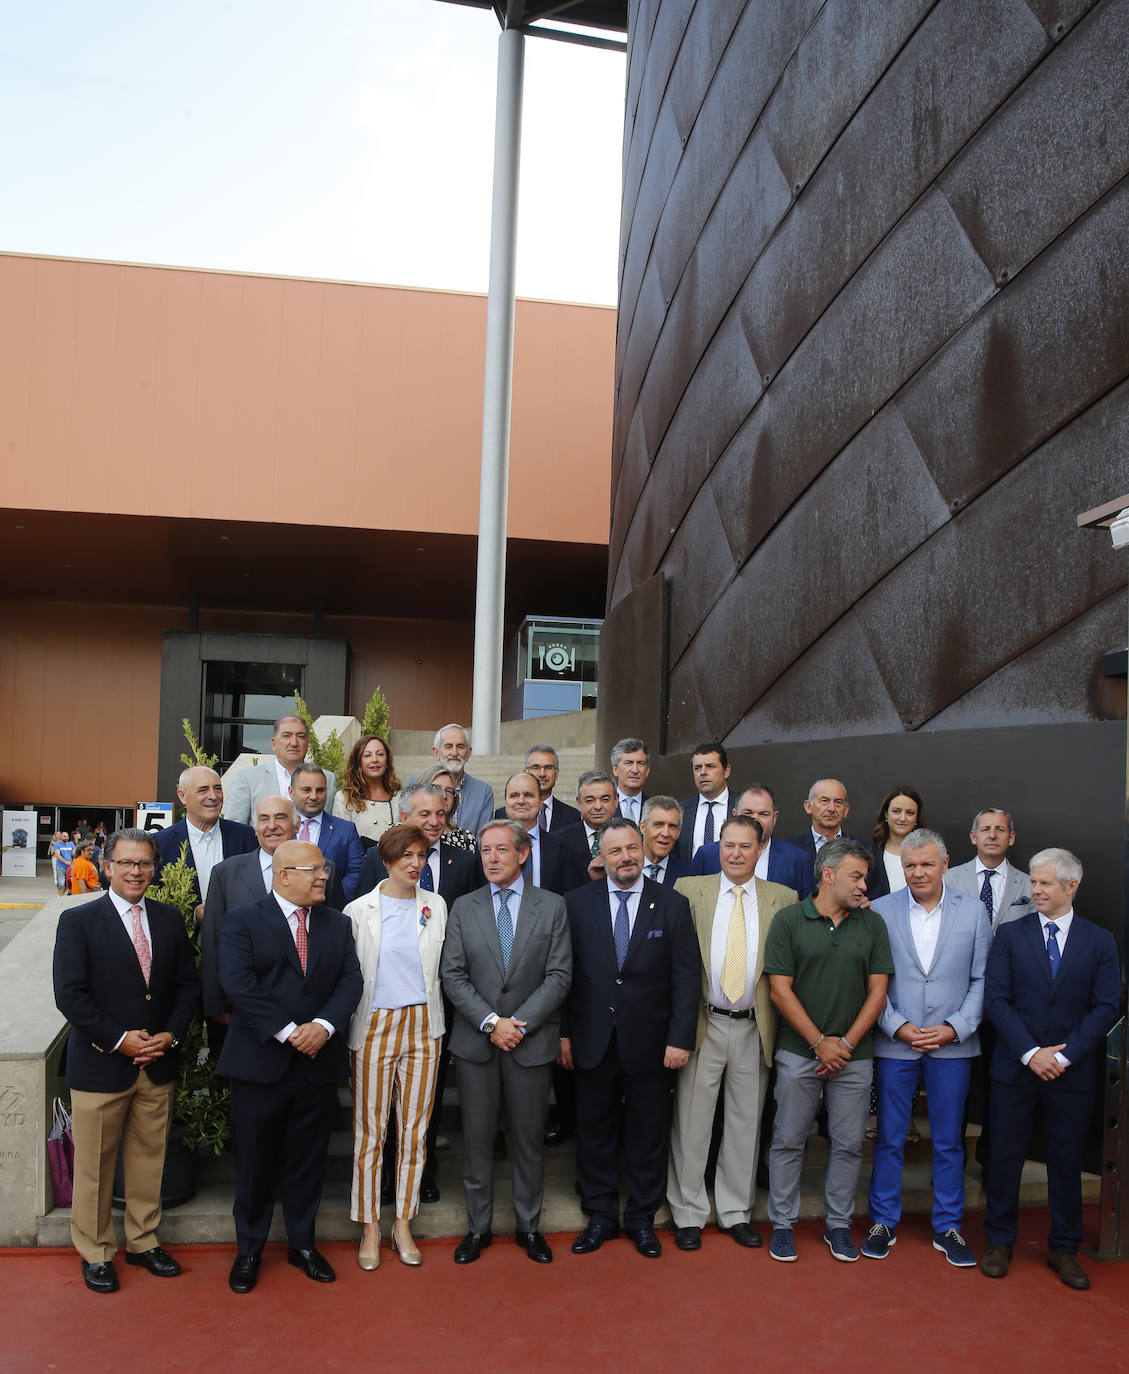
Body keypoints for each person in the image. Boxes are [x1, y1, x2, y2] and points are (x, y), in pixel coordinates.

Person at [52, 828, 200, 1293]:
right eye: (127, 863)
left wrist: (169, 1036)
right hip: (101, 1066)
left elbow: (187, 986)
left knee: (148, 1159)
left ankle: (143, 1241)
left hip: (157, 1063)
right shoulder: (78, 922)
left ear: (154, 869)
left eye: (144, 864)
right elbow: (70, 997)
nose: (136, 871)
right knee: (95, 1166)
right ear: (108, 867)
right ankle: (96, 1251)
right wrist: (120, 1040)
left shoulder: (170, 919)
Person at [217, 839, 363, 1293]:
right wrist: (288, 1031)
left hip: (317, 1064)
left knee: (307, 1161)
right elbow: (238, 985)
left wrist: (322, 1025)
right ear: (284, 875)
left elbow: (350, 980)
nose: (324, 877)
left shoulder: (337, 924)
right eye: (314, 870)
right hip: (261, 1063)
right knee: (256, 1162)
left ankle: (303, 1244)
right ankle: (249, 1251)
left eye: (325, 869)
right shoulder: (243, 921)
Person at [980, 849, 1119, 1290]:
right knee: (1004, 1160)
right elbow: (996, 1000)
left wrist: (1062, 1056)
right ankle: (999, 1243)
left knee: (1065, 1162)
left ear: (1071, 886)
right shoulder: (1009, 935)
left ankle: (1064, 1249)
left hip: (1070, 1074)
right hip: (1014, 1069)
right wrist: (1031, 1053)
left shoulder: (1100, 941)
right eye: (1034, 883)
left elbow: (1106, 1006)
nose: (1035, 890)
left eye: (1045, 884)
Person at [563, 819, 698, 1258]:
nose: (625, 858)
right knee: (595, 1131)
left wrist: (680, 1038)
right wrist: (564, 1033)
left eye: (632, 849)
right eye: (615, 850)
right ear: (600, 857)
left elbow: (685, 977)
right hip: (591, 1039)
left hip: (652, 1044)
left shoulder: (673, 905)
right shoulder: (576, 904)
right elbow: (565, 976)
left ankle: (642, 1219)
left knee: (647, 1134)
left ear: (643, 851)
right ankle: (600, 1215)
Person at [440, 820, 572, 1265]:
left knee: (528, 1141)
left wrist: (519, 1024)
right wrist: (491, 1022)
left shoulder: (552, 907)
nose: (491, 858)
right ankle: (477, 1230)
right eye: (485, 851)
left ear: (523, 854)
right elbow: (452, 975)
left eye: (500, 850)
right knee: (477, 1141)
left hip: (530, 1045)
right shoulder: (462, 906)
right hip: (478, 1044)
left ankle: (528, 1228)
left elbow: (559, 975)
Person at [863, 829, 990, 1266]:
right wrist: (897, 1027)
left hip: (952, 1047)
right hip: (895, 1043)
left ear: (945, 863)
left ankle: (949, 1227)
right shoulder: (879, 910)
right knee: (890, 1137)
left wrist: (955, 1028)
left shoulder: (973, 912)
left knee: (950, 1141)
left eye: (927, 864)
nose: (918, 872)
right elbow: (873, 982)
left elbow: (981, 980)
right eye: (910, 865)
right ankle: (883, 1220)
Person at [764, 837, 893, 1263]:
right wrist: (820, 1044)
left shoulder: (872, 924)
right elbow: (780, 992)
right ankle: (782, 1224)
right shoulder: (788, 920)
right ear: (828, 875)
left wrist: (846, 1045)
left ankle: (838, 1225)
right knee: (788, 1139)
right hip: (799, 1053)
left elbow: (878, 994)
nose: (863, 886)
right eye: (856, 876)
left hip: (855, 1057)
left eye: (866, 877)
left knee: (849, 1143)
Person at [354, 780, 483, 1202]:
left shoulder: (465, 863)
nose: (433, 821)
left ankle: (419, 1172)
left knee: (424, 1102)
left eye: (440, 813)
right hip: (382, 1004)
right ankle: (386, 1177)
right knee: (378, 1109)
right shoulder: (379, 857)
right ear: (405, 816)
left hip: (438, 1003)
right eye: (424, 813)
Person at [668, 815, 793, 1251]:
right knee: (692, 1122)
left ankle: (736, 1212)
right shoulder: (690, 890)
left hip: (754, 1027)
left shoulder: (784, 898)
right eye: (728, 845)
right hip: (704, 1023)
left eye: (745, 846)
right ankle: (688, 1212)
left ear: (760, 850)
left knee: (745, 1124)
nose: (736, 853)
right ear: (718, 848)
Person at [345, 824, 447, 1271]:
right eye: (405, 855)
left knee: (414, 1131)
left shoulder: (437, 906)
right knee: (371, 1132)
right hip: (374, 1025)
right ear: (386, 859)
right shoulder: (356, 910)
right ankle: (369, 1224)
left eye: (421, 856)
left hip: (424, 1026)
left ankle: (402, 1222)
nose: (414, 864)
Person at [201, 797, 346, 1036]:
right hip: (245, 1015)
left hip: (311, 1017)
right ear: (254, 827)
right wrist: (216, 1007)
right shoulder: (227, 872)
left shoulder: (324, 871)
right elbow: (212, 940)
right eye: (264, 819)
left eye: (281, 817)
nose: (272, 826)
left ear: (297, 824)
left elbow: (336, 943)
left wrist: (327, 1019)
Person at [155, 766, 257, 917]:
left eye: (217, 788)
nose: (213, 796)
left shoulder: (246, 837)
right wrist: (193, 916)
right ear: (182, 796)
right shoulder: (161, 844)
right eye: (203, 790)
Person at [689, 784, 810, 895]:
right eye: (748, 813)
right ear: (735, 815)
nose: (755, 820)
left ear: (774, 818)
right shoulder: (706, 855)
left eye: (763, 814)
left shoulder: (797, 860)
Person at [221, 715, 337, 824]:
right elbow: (235, 830)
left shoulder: (328, 778)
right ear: (273, 743)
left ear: (307, 744)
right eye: (287, 736)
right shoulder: (247, 779)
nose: (294, 743)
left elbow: (331, 827)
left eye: (300, 736)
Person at [946, 808, 1033, 931]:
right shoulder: (948, 880)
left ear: (1011, 837)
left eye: (1000, 829)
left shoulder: (1029, 884)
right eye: (986, 829)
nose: (992, 835)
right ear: (973, 837)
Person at [291, 763, 365, 900]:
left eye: (320, 790)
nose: (313, 796)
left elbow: (356, 873)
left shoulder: (346, 830)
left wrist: (329, 900)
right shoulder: (281, 829)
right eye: (306, 790)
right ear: (291, 792)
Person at [783, 779, 868, 879]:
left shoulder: (864, 849)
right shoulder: (789, 850)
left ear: (846, 810)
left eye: (838, 802)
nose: (832, 808)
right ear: (808, 806)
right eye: (824, 801)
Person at [500, 771, 568, 892]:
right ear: (506, 802)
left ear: (541, 803)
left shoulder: (562, 848)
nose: (521, 801)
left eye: (528, 795)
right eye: (514, 795)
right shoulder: (487, 849)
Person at [332, 734, 402, 848]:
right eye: (367, 755)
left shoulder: (399, 796)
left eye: (380, 754)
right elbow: (342, 842)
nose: (375, 760)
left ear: (387, 760)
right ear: (358, 762)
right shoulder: (344, 798)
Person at [554, 769, 618, 889]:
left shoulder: (631, 837)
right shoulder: (559, 841)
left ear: (616, 800)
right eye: (590, 800)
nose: (598, 807)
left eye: (605, 799)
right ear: (578, 803)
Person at [429, 723, 495, 834]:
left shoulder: (483, 791)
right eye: (448, 746)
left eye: (460, 746)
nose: (454, 753)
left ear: (468, 753)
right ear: (436, 752)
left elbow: (484, 838)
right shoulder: (418, 784)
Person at [675, 741, 733, 863]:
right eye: (697, 768)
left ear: (726, 771)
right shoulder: (681, 810)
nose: (703, 772)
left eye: (710, 766)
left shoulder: (742, 807)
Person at [867, 786, 926, 901]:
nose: (903, 818)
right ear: (886, 813)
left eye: (910, 813)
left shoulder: (928, 855)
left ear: (916, 817)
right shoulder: (869, 854)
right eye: (896, 811)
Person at [520, 744, 581, 830]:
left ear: (556, 774)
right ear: (525, 773)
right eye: (535, 767)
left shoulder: (572, 816)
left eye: (548, 767)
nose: (542, 774)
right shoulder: (505, 814)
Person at [638, 795, 691, 886]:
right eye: (658, 825)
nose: (665, 833)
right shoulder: (624, 867)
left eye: (672, 826)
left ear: (678, 832)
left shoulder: (688, 876)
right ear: (643, 828)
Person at [610, 737, 650, 824]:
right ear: (615, 770)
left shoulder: (655, 807)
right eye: (628, 763)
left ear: (647, 771)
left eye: (640, 763)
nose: (635, 770)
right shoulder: (605, 806)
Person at [50, 830, 75, 896]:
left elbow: (74, 854)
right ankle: (61, 897)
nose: (66, 837)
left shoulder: (71, 844)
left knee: (68, 883)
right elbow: (57, 855)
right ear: (61, 837)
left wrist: (73, 862)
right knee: (61, 883)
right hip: (60, 866)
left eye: (67, 836)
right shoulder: (57, 845)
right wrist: (65, 861)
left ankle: (61, 895)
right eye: (64, 836)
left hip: (69, 867)